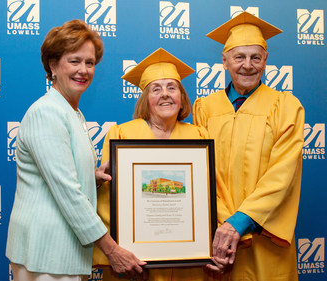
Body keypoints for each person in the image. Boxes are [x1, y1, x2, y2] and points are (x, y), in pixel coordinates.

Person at [5, 19, 146, 281]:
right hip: (45, 253)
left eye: (90, 63)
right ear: (53, 65)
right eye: (74, 60)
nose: (83, 70)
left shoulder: (72, 112)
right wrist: (112, 250)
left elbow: (58, 175)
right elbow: (67, 191)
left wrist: (92, 176)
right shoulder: (47, 112)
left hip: (63, 252)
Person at [193, 12, 304, 281]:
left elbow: (283, 174)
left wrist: (239, 221)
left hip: (265, 238)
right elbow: (200, 172)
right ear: (225, 60)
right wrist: (223, 221)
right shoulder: (204, 108)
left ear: (266, 60)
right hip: (216, 237)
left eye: (256, 57)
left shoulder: (286, 106)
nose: (247, 65)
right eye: (239, 57)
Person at [92, 48, 209, 280]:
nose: (165, 94)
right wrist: (120, 252)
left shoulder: (199, 136)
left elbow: (208, 197)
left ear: (182, 96)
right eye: (156, 89)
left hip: (188, 262)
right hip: (136, 262)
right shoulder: (122, 134)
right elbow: (107, 201)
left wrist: (207, 246)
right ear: (146, 99)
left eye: (172, 87)